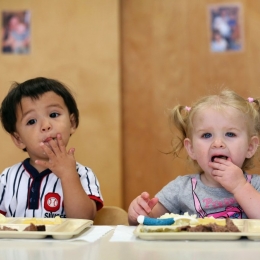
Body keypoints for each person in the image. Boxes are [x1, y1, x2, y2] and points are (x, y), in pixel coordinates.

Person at [128, 90, 260, 225]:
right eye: (207, 135)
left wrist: (240, 186)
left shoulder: (255, 186)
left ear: (250, 147)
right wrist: (140, 214)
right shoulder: (181, 188)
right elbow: (149, 220)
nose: (218, 143)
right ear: (191, 149)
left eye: (230, 134)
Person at [0, 77, 103, 219]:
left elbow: (83, 219)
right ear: (19, 139)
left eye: (54, 114)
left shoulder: (83, 174)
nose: (46, 125)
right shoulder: (7, 178)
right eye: (32, 121)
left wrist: (68, 175)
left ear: (72, 123)